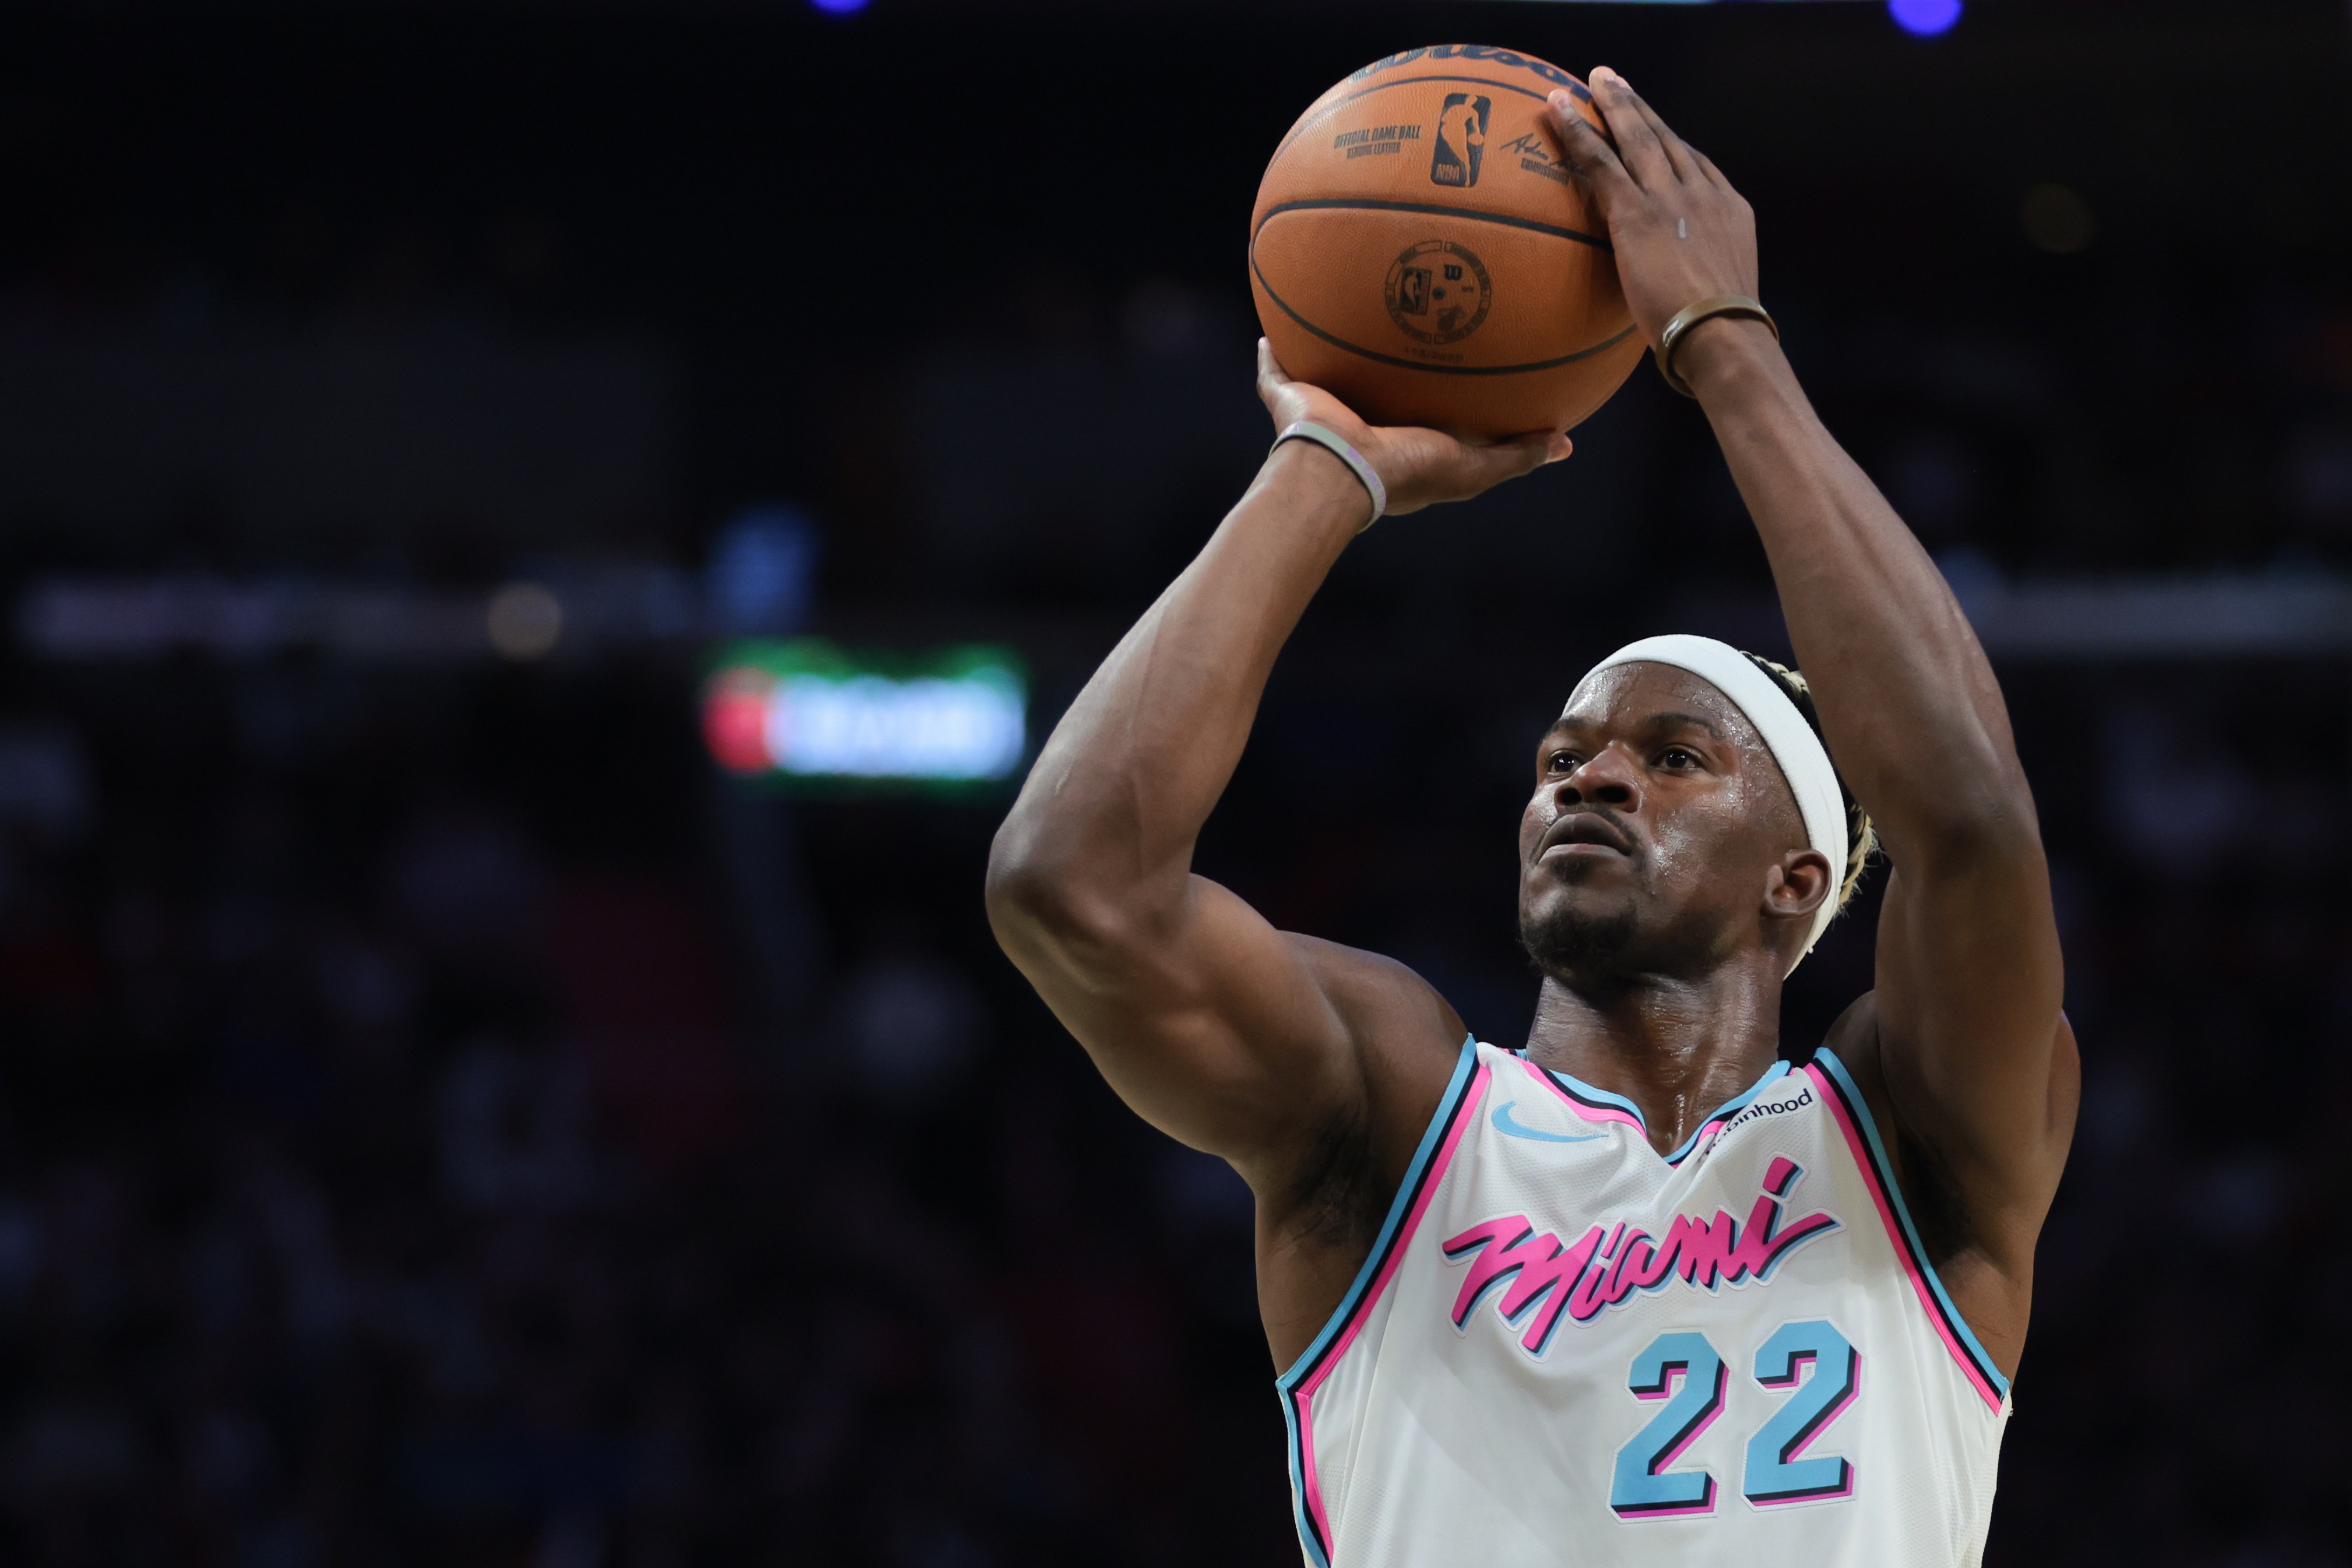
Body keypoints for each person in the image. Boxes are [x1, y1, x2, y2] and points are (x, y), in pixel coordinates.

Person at [985, 67, 2075, 1567]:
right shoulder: (1393, 1118)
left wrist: (1725, 345)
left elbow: (1969, 816)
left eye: (1674, 757)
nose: (1588, 778)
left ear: (1797, 875)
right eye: (1561, 756)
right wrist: (1324, 467)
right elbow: (1069, 885)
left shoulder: (1908, 1131)